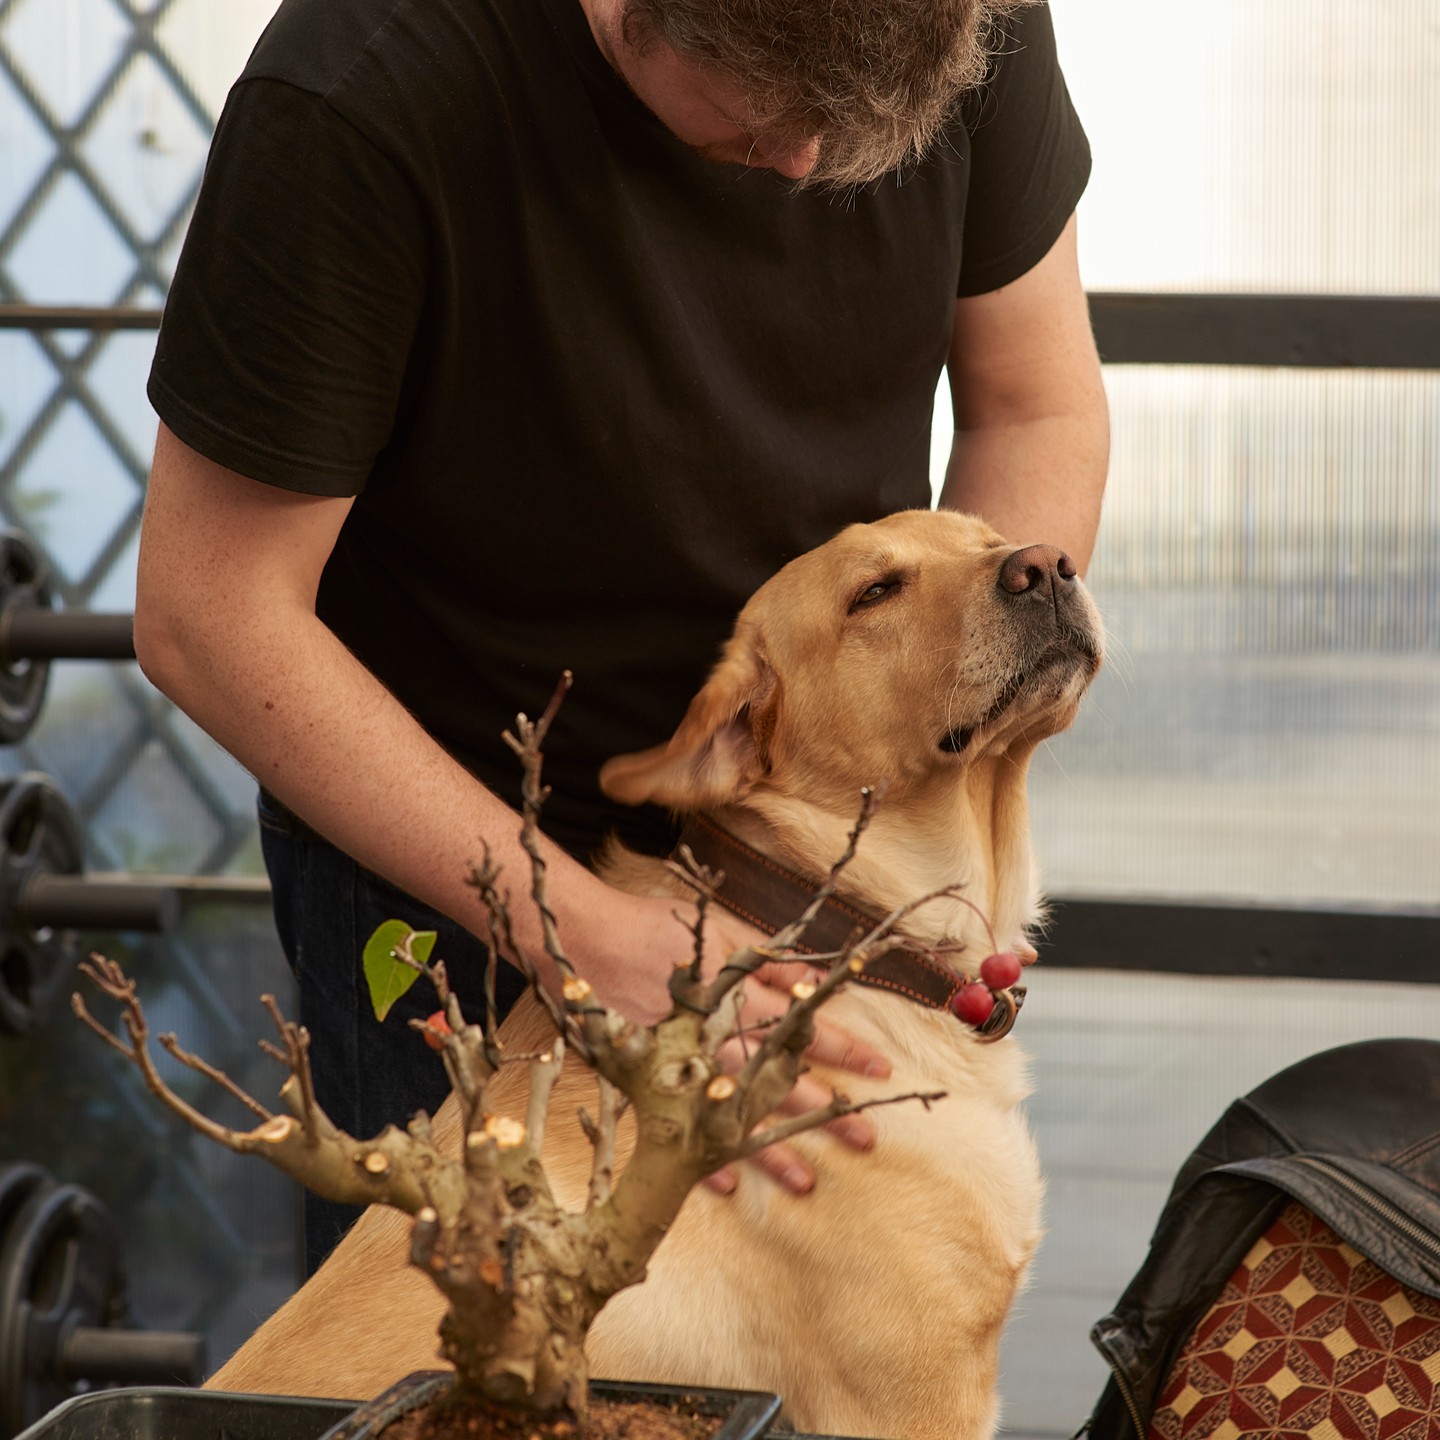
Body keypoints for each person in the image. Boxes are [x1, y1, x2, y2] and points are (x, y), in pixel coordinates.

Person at [135, 0, 1108, 1269]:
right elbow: (211, 613)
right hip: (455, 853)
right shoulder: (360, 88)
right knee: (473, 1361)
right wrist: (588, 936)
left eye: (871, 131)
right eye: (775, 112)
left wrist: (982, 678)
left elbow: (1034, 406)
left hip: (832, 851)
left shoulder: (949, 17)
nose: (818, 163)